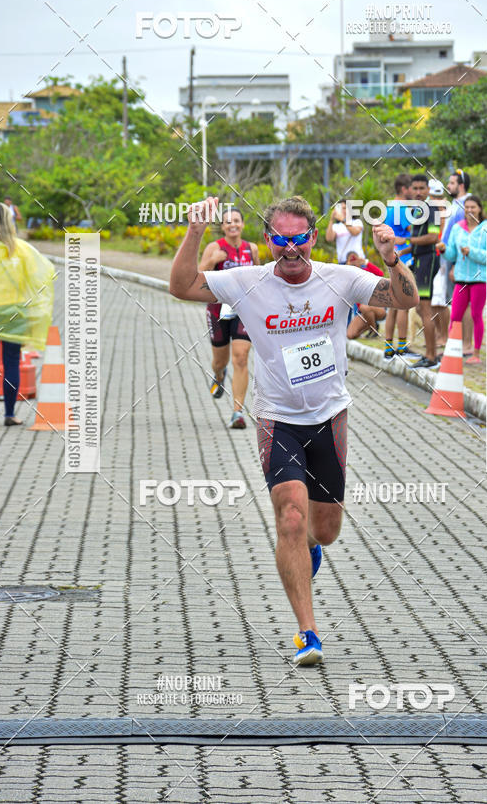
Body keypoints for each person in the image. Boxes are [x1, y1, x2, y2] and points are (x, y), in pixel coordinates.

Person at [170, 195, 419, 666]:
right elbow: (182, 286)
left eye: (299, 238)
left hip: (329, 417)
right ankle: (308, 633)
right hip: (277, 419)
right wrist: (195, 231)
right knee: (289, 517)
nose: (290, 248)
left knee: (324, 530)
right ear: (268, 240)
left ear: (312, 237)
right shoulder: (247, 282)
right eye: (280, 239)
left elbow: (406, 300)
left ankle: (309, 546)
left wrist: (391, 258)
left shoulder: (339, 278)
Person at [198, 206, 259, 429]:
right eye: (228, 221)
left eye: (236, 220)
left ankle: (237, 412)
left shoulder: (251, 249)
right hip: (218, 311)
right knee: (220, 361)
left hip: (243, 310)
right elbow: (199, 274)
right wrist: (212, 260)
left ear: (242, 224)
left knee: (241, 357)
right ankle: (219, 374)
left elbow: (258, 277)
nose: (233, 224)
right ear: (222, 227)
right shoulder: (214, 247)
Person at [0, 202, 55, 426]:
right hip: (15, 312)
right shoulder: (21, 249)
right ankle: (10, 414)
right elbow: (44, 273)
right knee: (11, 362)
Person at [436, 195, 487, 363]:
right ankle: (451, 351)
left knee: (476, 315)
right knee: (455, 316)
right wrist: (444, 250)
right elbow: (452, 255)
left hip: (480, 279)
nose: (470, 210)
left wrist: (472, 252)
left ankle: (476, 354)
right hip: (461, 278)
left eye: (473, 207)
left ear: (480, 209)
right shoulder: (457, 228)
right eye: (467, 207)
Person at [398, 174, 440, 369]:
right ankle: (429, 354)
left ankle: (431, 357)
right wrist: (400, 251)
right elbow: (416, 242)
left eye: (422, 188)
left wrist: (407, 241)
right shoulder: (417, 210)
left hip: (428, 261)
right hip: (419, 260)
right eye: (415, 188)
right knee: (420, 309)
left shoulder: (432, 209)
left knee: (425, 309)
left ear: (428, 190)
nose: (418, 192)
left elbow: (433, 237)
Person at [383, 174, 416, 359]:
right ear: (404, 189)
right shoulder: (402, 209)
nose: (414, 191)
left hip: (391, 256)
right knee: (404, 303)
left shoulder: (389, 207)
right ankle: (402, 347)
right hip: (403, 258)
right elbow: (414, 231)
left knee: (393, 304)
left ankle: (389, 347)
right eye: (412, 188)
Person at [445, 169, 473, 355]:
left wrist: (456, 264)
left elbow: (464, 235)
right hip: (450, 257)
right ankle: (458, 341)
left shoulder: (466, 205)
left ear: (461, 185)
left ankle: (467, 344)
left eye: (452, 183)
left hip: (460, 259)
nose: (448, 186)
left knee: (466, 303)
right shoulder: (455, 204)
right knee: (456, 302)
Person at [428, 179, 450, 350]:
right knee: (431, 301)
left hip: (442, 258)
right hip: (430, 257)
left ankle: (444, 335)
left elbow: (442, 235)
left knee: (440, 300)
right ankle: (438, 333)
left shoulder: (445, 210)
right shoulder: (428, 209)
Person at [345, 251, 385, 339]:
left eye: (356, 260)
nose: (354, 263)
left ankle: (373, 330)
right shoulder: (347, 277)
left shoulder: (365, 271)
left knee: (364, 307)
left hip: (377, 308)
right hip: (363, 313)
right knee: (350, 335)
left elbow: (380, 274)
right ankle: (371, 324)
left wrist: (366, 262)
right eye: (351, 261)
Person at [325, 199, 364, 264]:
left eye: (345, 208)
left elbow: (355, 232)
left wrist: (343, 220)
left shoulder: (357, 222)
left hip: (357, 261)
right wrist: (331, 220)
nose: (342, 211)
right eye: (340, 209)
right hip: (343, 262)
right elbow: (329, 239)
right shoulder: (336, 226)